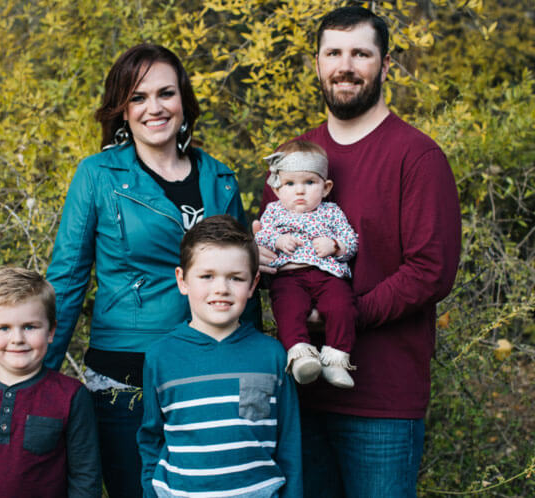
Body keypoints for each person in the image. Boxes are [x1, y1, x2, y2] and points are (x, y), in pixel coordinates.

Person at [256, 6, 462, 497]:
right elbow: (270, 251)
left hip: (382, 402)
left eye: (360, 53)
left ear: (385, 65)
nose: (345, 65)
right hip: (299, 396)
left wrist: (341, 316)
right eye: (334, 53)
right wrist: (257, 263)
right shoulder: (295, 158)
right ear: (317, 63)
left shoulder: (417, 156)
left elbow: (431, 271)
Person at [43, 44, 256, 497]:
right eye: (138, 98)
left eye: (166, 93)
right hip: (127, 378)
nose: (154, 108)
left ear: (184, 101)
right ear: (121, 110)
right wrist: (36, 379)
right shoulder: (97, 175)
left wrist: (255, 385)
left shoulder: (220, 178)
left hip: (212, 371)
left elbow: (246, 285)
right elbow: (66, 281)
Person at [137, 215, 302, 497]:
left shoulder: (272, 355)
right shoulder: (160, 357)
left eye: (235, 278)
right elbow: (151, 438)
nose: (221, 289)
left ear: (253, 285)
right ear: (182, 280)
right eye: (207, 276)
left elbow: (289, 443)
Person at [0, 267, 102, 497]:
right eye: (4, 328)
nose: (17, 339)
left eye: (30, 327)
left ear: (51, 331)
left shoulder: (71, 396)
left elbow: (85, 477)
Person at [255, 140, 359, 388]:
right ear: (279, 189)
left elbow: (351, 241)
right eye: (290, 184)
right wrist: (277, 239)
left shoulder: (332, 212)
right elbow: (260, 237)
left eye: (309, 183)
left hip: (327, 275)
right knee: (289, 310)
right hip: (289, 277)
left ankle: (336, 359)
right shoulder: (274, 211)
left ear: (325, 187)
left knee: (342, 306)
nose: (299, 191)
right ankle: (301, 356)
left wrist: (334, 246)